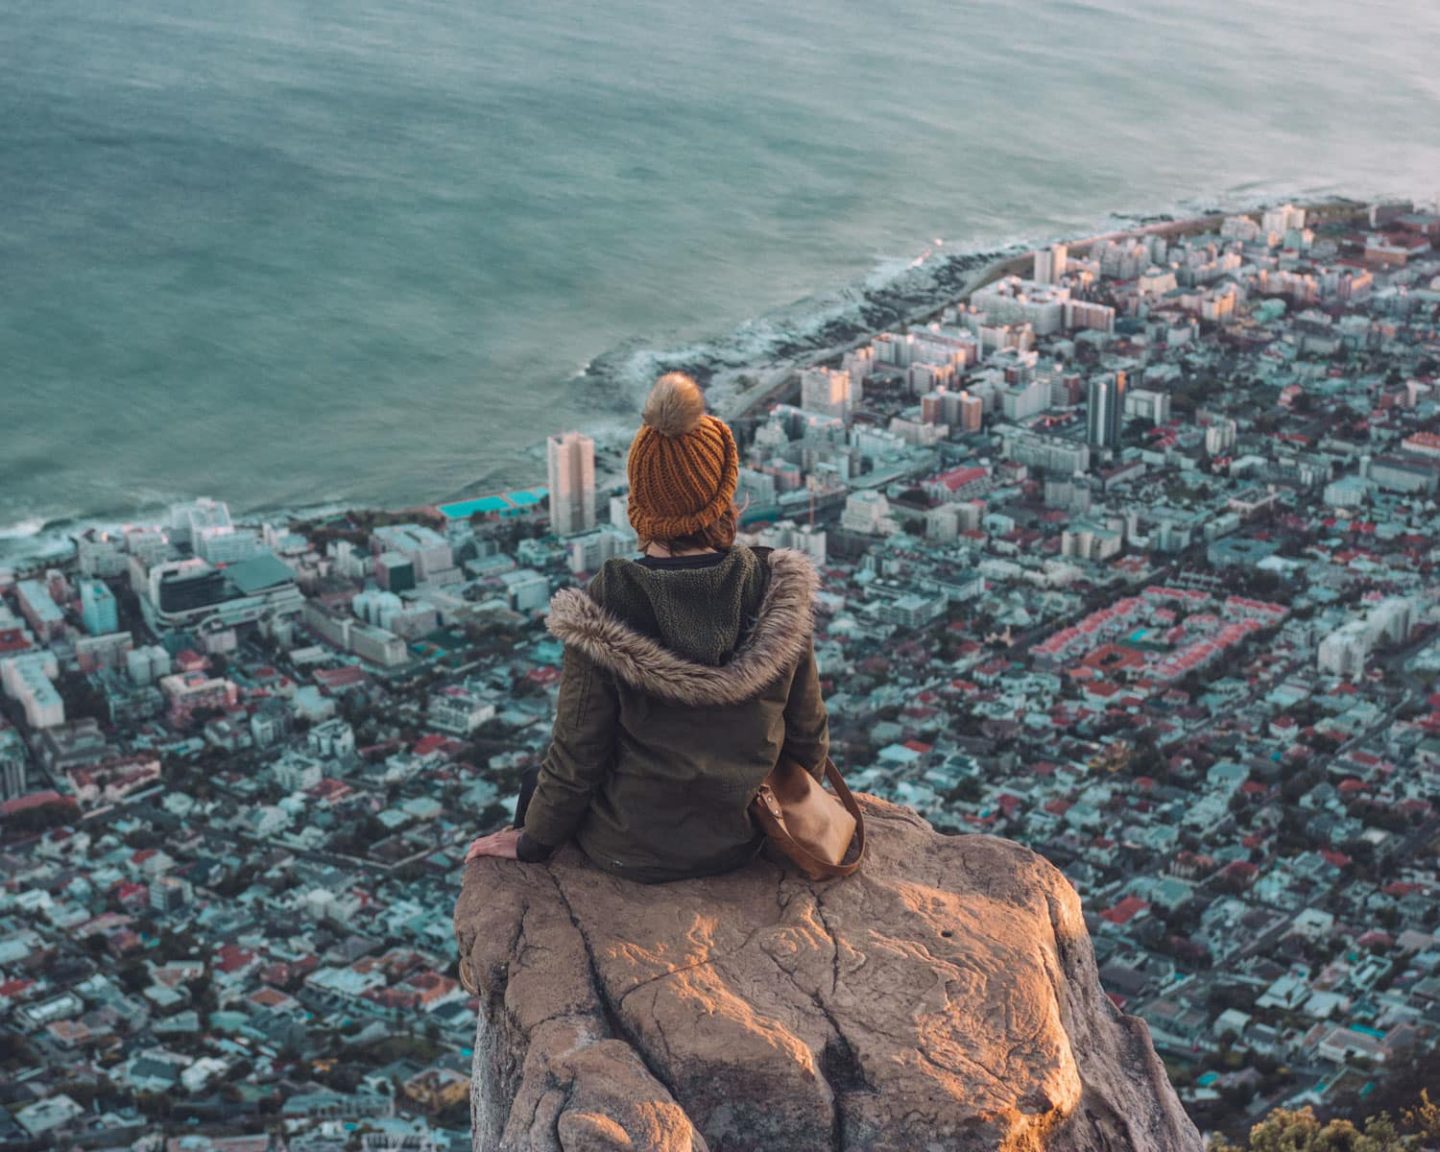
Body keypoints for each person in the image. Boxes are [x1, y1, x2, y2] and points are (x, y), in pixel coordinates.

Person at [465, 372, 828, 883]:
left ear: (642, 503)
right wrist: (792, 820)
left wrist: (533, 840)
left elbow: (578, 749)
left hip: (629, 849)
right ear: (724, 493)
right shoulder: (774, 585)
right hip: (742, 839)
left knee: (533, 784)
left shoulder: (610, 598)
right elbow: (807, 731)